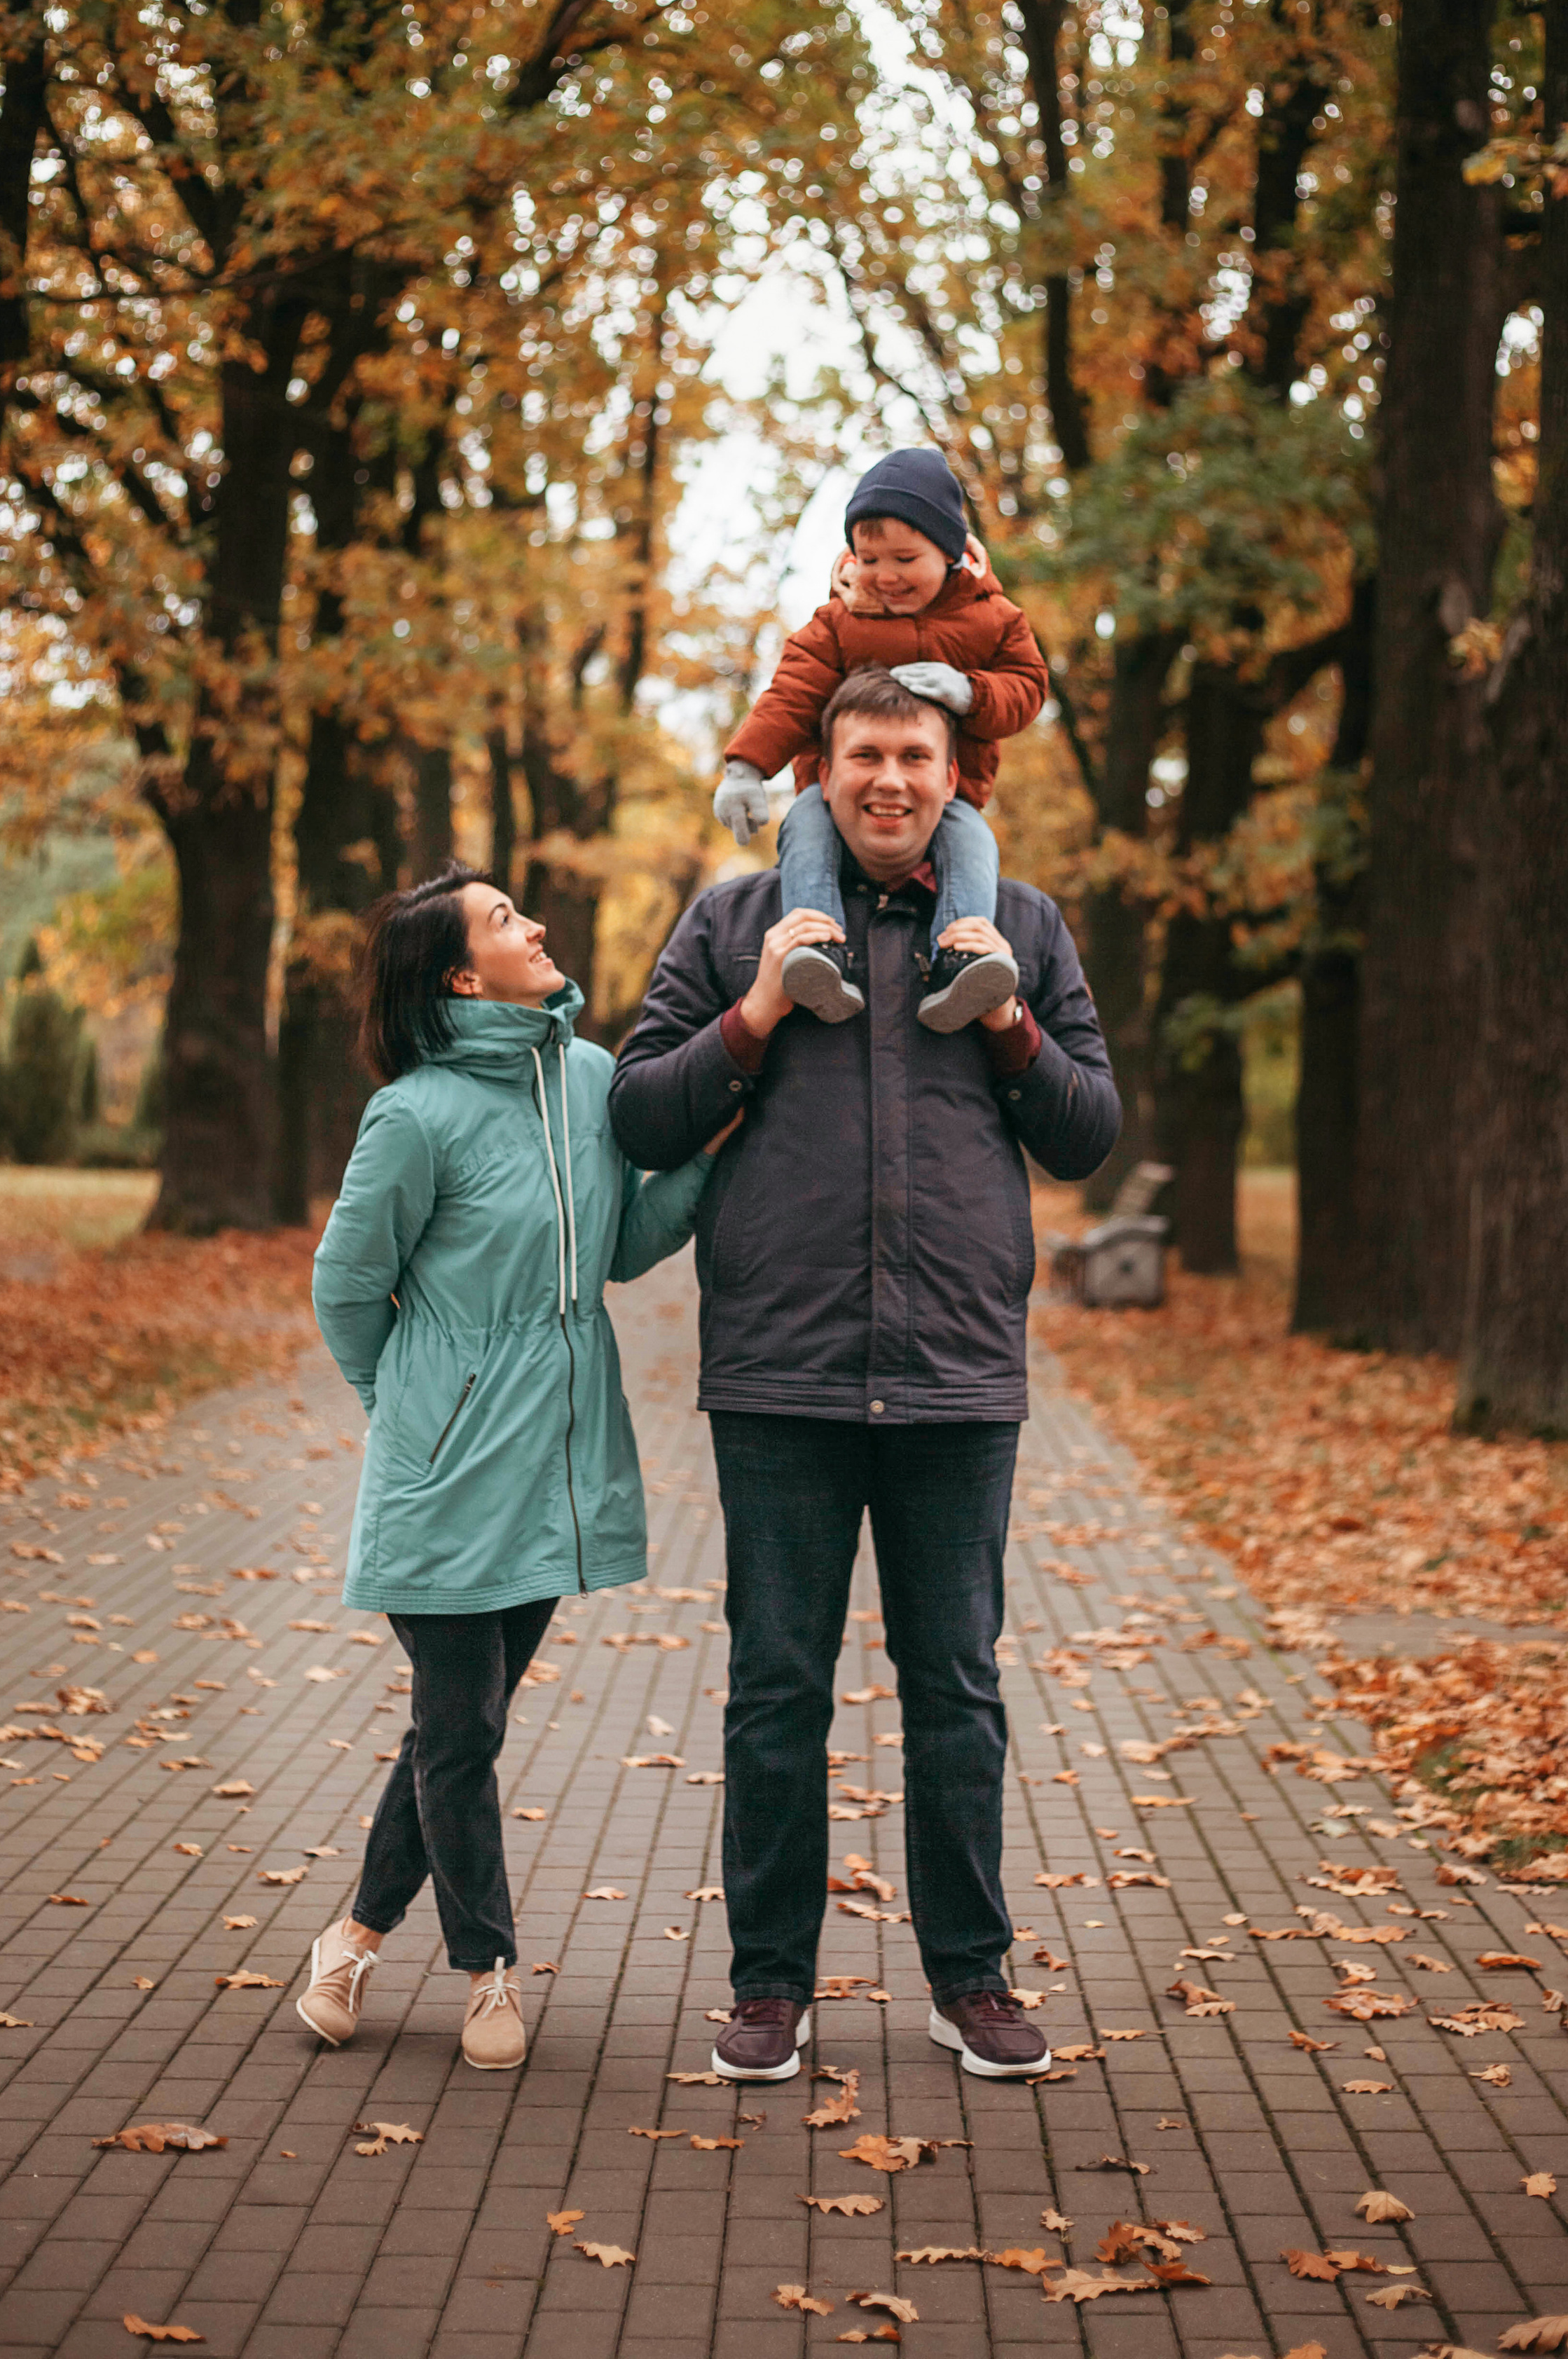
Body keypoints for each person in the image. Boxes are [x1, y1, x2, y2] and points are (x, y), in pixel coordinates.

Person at [609, 670, 1120, 2082]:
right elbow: (641, 1115)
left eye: (915, 755)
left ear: (955, 777)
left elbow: (1086, 1133)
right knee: (776, 1688)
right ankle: (769, 1985)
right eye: (863, 756)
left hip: (957, 1371)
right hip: (783, 1372)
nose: (889, 778)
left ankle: (971, 1979)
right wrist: (758, 1009)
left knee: (955, 1688)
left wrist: (1008, 1022)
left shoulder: (1020, 927)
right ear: (818, 775)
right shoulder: (732, 923)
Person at [298, 865, 723, 2070]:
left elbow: (623, 1247)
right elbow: (345, 1288)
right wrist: (411, 1413)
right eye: (502, 920)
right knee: (462, 1730)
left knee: (459, 1732)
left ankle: (353, 1936)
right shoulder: (414, 1114)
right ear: (460, 976)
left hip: (555, 1466)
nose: (534, 926)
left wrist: (712, 1152)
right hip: (445, 1478)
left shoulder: (588, 1079)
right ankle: (487, 1969)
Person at [714, 447, 1047, 1034]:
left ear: (951, 552)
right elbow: (791, 694)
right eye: (868, 559)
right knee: (805, 826)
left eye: (905, 558)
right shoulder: (840, 622)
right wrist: (746, 767)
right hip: (837, 793)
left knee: (972, 843)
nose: (885, 575)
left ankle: (962, 960)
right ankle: (815, 949)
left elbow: (1028, 686)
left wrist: (970, 691)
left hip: (947, 794)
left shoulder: (993, 619)